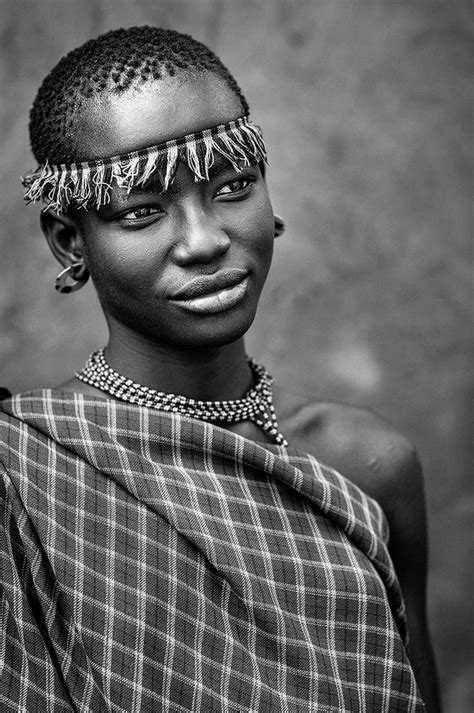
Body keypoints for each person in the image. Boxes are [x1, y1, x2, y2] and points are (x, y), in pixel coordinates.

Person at [0, 26, 440, 712]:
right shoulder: (21, 475)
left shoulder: (371, 463)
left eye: (234, 186)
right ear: (68, 242)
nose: (206, 241)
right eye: (142, 212)